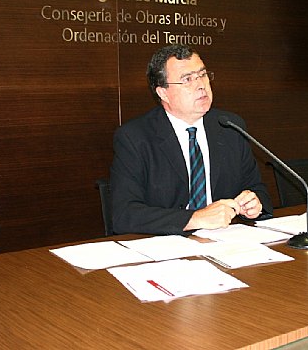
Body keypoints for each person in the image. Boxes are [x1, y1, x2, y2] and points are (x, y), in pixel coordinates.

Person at [110, 44, 272, 235]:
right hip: (167, 249)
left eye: (202, 75)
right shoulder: (135, 138)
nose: (201, 85)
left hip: (226, 243)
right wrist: (195, 218)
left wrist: (254, 204)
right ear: (163, 92)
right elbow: (125, 215)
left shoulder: (229, 127)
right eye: (187, 79)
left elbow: (257, 189)